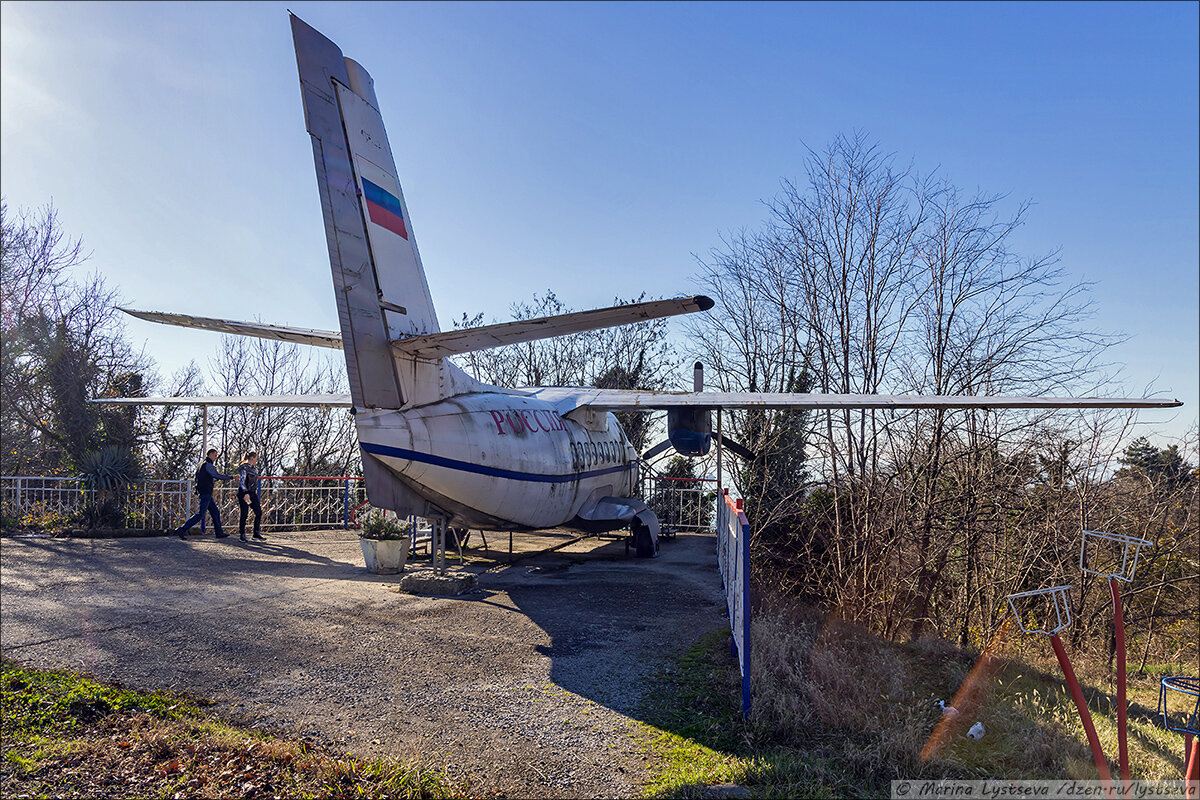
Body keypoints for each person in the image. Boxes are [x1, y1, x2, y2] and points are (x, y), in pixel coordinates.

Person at [176, 449, 235, 539]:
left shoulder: (201, 464)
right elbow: (216, 475)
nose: (216, 457)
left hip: (204, 491)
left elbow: (199, 477)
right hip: (206, 492)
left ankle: (219, 532)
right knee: (200, 514)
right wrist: (231, 477)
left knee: (215, 512)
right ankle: (182, 529)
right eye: (215, 455)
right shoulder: (208, 464)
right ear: (210, 455)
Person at [236, 451, 264, 542]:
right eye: (256, 458)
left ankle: (256, 533)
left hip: (252, 493)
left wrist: (254, 490)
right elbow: (242, 481)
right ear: (252, 458)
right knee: (244, 513)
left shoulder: (252, 468)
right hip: (245, 493)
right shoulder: (244, 468)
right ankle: (242, 534)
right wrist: (245, 493)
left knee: (258, 512)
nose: (257, 460)